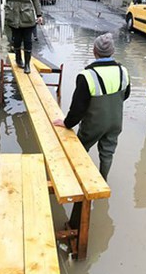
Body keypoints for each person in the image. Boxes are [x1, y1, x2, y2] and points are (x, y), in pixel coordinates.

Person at [53, 33, 130, 180]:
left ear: (94, 51)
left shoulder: (87, 75)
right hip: (115, 122)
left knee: (80, 149)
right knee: (107, 152)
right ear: (113, 51)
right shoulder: (123, 71)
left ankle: (78, 180)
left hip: (94, 123)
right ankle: (103, 180)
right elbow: (125, 95)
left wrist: (67, 123)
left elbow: (78, 108)